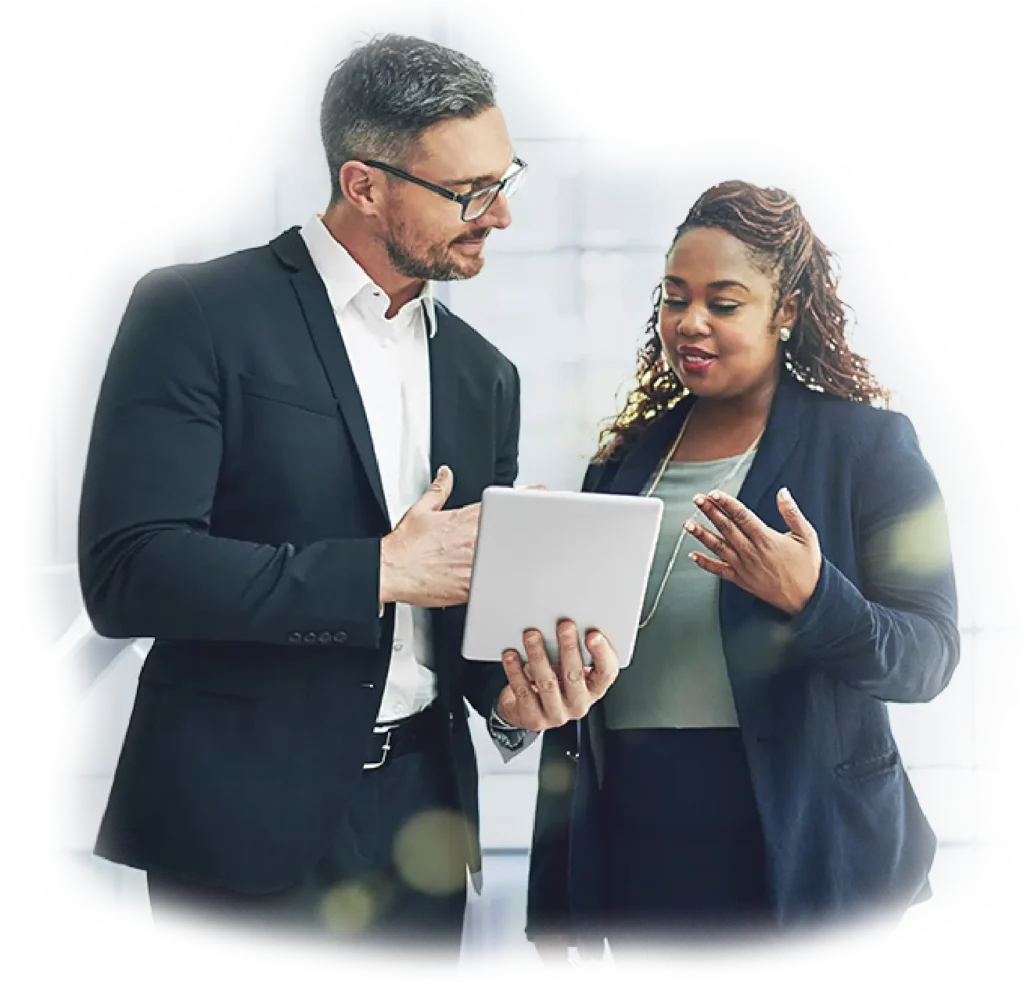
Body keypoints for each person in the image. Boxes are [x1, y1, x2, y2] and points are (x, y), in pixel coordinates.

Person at [78, 33, 618, 984]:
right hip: (243, 826)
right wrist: (378, 569)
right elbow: (130, 571)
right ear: (364, 185)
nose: (499, 215)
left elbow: (460, 630)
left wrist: (517, 703)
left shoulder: (484, 374)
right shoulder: (195, 311)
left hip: (423, 825)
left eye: (505, 179)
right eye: (467, 193)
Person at [526, 180, 959, 984]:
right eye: (675, 298)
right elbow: (573, 692)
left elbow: (930, 655)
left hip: (812, 861)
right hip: (647, 869)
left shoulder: (868, 448)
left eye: (724, 303)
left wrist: (814, 596)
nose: (690, 323)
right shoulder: (620, 467)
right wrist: (556, 886)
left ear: (784, 310)